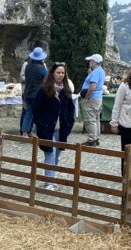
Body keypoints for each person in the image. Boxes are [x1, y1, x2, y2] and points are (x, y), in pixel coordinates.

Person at [32, 61, 76, 190]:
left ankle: (52, 178)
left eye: (63, 72)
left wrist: (68, 125)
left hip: (60, 129)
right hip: (47, 129)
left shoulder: (67, 90)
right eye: (58, 72)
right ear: (53, 73)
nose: (60, 75)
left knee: (56, 156)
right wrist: (41, 125)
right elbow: (36, 109)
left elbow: (71, 110)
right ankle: (49, 182)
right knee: (50, 154)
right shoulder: (45, 89)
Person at [20, 47, 48, 137]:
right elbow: (47, 79)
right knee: (39, 114)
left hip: (28, 93)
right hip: (37, 94)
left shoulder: (28, 66)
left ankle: (25, 132)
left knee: (28, 113)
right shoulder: (41, 68)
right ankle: (35, 132)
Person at [79, 53, 105, 146]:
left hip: (92, 98)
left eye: (91, 61)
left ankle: (91, 139)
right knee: (96, 118)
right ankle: (96, 138)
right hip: (98, 97)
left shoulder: (96, 72)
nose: (89, 62)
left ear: (94, 62)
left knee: (90, 119)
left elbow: (93, 86)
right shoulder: (100, 71)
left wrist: (86, 97)